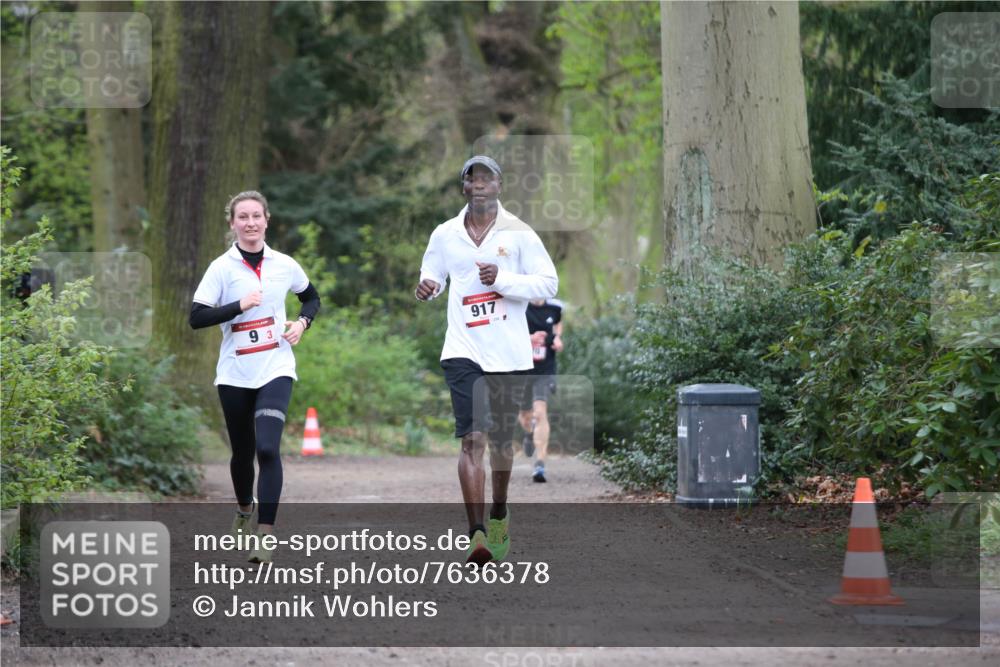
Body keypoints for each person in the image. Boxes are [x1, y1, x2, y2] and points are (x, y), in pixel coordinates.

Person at [415, 156, 558, 565]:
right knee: (472, 439)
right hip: (463, 350)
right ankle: (476, 534)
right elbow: (434, 276)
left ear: (499, 185)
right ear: (464, 187)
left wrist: (504, 280)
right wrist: (428, 287)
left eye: (487, 178)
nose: (479, 184)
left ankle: (499, 512)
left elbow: (548, 283)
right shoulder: (444, 234)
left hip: (508, 352)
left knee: (500, 443)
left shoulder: (520, 233)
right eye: (472, 178)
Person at [190, 190, 320, 564]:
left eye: (256, 216)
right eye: (242, 217)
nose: (250, 223)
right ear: (232, 223)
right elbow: (197, 317)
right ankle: (245, 507)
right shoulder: (221, 268)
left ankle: (265, 534)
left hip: (276, 366)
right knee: (243, 453)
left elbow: (311, 298)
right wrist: (238, 306)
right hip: (234, 372)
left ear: (267, 220)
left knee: (267, 449)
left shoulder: (284, 264)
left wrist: (302, 323)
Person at [519, 298, 564, 483]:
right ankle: (530, 434)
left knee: (540, 411)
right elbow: (506, 333)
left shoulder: (555, 307)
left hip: (545, 370)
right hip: (521, 368)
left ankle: (540, 464)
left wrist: (558, 338)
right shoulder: (519, 305)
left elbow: (558, 323)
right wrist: (529, 339)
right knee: (525, 416)